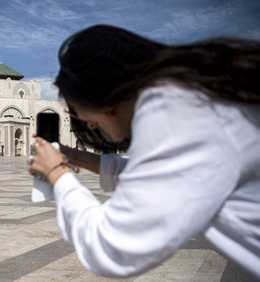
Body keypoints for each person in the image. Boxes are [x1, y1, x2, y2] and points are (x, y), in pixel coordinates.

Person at [28, 24, 260, 278]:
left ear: (106, 101)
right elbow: (163, 177)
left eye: (80, 112)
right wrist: (76, 157)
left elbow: (110, 247)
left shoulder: (175, 115)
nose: (88, 123)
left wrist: (57, 172)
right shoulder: (187, 96)